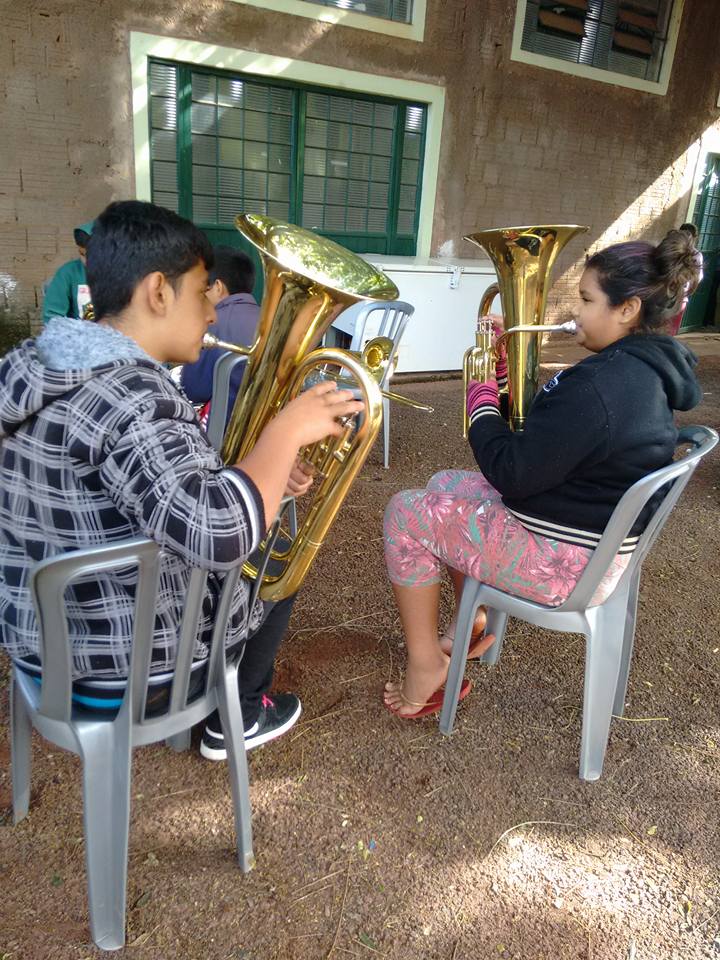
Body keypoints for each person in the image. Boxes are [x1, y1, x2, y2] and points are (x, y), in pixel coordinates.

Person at [0, 200, 362, 757]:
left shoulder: (38, 363)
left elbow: (142, 481)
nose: (213, 314)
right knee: (272, 564)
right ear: (158, 292)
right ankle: (236, 715)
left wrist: (261, 471)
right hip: (124, 671)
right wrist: (285, 432)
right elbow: (221, 536)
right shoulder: (128, 394)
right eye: (202, 292)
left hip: (38, 645)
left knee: (257, 515)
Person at [383, 229, 703, 717]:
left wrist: (479, 396)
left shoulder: (604, 386)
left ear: (628, 309)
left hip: (565, 563)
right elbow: (552, 442)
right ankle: (472, 622)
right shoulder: (637, 373)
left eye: (587, 300)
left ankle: (426, 665)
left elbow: (512, 469)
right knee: (442, 485)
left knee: (405, 513)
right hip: (592, 541)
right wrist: (507, 377)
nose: (575, 313)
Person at [181, 245, 259, 424]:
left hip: (222, 436)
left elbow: (192, 391)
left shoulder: (211, 323)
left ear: (217, 286)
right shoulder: (270, 320)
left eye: (202, 290)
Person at [42, 220, 95, 323]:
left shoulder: (123, 273)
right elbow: (52, 317)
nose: (86, 261)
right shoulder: (68, 273)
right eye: (82, 254)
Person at [666, 223, 702, 335]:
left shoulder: (668, 248)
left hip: (663, 293)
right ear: (695, 237)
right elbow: (698, 276)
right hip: (680, 295)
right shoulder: (696, 254)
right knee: (671, 330)